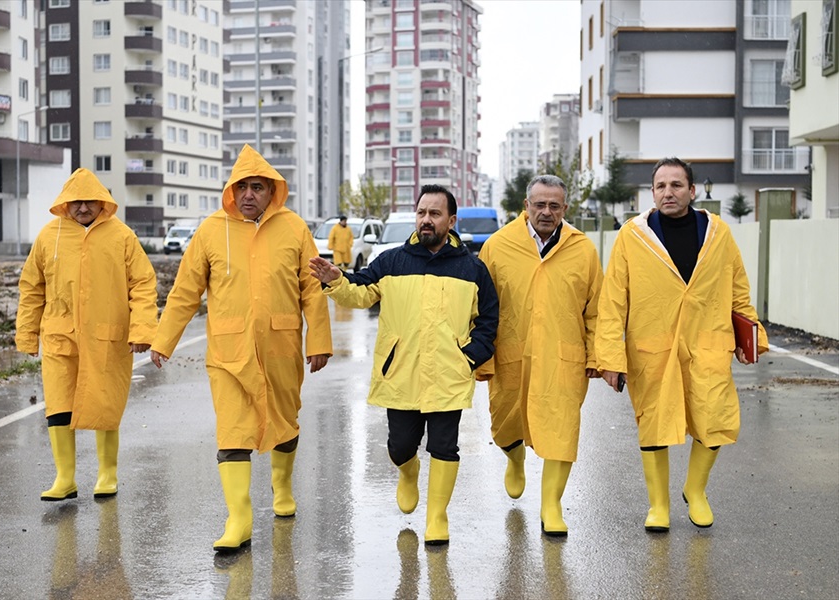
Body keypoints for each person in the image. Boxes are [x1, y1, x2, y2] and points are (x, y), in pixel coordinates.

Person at [150, 144, 332, 553]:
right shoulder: (212, 230)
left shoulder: (294, 228)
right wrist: (164, 340)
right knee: (232, 432)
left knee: (284, 421)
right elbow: (184, 292)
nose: (249, 194)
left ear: (272, 192)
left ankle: (282, 488)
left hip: (281, 347)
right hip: (228, 355)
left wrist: (318, 339)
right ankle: (239, 518)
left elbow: (312, 290)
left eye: (257, 187)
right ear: (231, 190)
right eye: (242, 187)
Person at [309, 184, 499, 546]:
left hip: (449, 373)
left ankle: (437, 518)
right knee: (399, 447)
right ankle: (408, 472)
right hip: (401, 373)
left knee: (445, 446)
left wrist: (470, 355)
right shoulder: (392, 261)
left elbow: (489, 317)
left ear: (451, 220)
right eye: (422, 213)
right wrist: (336, 281)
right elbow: (361, 293)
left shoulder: (472, 268)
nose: (426, 220)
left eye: (435, 214)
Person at [595, 157, 769, 532]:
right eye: (661, 186)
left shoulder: (717, 233)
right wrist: (610, 356)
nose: (668, 192)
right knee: (654, 423)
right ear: (652, 192)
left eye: (677, 185)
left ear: (692, 191)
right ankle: (658, 505)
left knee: (715, 417)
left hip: (708, 341)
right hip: (651, 347)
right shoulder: (632, 235)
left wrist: (750, 336)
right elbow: (612, 301)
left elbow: (738, 287)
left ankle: (696, 489)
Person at [15, 168, 158, 502]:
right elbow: (32, 288)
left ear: (101, 202)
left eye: (89, 202)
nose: (82, 208)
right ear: (65, 202)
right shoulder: (48, 237)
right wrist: (27, 334)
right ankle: (65, 477)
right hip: (59, 335)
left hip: (107, 336)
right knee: (59, 405)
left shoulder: (122, 237)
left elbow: (143, 283)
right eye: (76, 201)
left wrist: (142, 329)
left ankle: (107, 473)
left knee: (104, 402)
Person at [476, 174, 602, 537]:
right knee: (505, 426)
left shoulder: (583, 250)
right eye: (539, 204)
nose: (546, 212)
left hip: (564, 358)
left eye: (554, 205)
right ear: (526, 206)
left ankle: (551, 506)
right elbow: (480, 309)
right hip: (510, 355)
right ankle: (514, 459)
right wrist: (482, 360)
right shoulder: (498, 246)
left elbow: (597, 310)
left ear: (565, 208)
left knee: (561, 430)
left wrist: (597, 356)